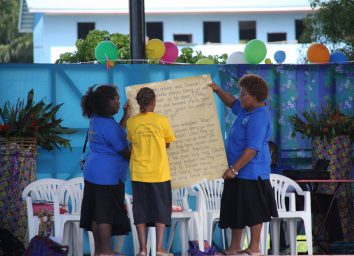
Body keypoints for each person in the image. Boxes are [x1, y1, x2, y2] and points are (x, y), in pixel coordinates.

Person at [209, 74, 278, 255]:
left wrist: (234, 168)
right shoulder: (245, 109)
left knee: (254, 210)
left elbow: (252, 148)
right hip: (237, 172)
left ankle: (254, 248)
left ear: (254, 96)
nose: (240, 96)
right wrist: (217, 90)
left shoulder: (259, 116)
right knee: (235, 210)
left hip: (251, 172)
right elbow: (232, 102)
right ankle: (234, 247)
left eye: (243, 94)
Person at [80, 84, 131, 256]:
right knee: (105, 215)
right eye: (116, 100)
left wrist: (125, 116)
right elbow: (124, 151)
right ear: (106, 102)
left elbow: (116, 132)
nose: (119, 102)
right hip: (107, 176)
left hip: (93, 172)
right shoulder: (108, 125)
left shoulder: (96, 119)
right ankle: (107, 251)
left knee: (95, 214)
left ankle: (98, 252)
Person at [126, 87, 176, 256]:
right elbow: (168, 143)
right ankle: (160, 249)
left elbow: (131, 143)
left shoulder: (131, 122)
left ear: (139, 103)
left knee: (140, 210)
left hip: (139, 173)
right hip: (160, 173)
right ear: (153, 102)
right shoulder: (162, 120)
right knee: (161, 210)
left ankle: (142, 249)